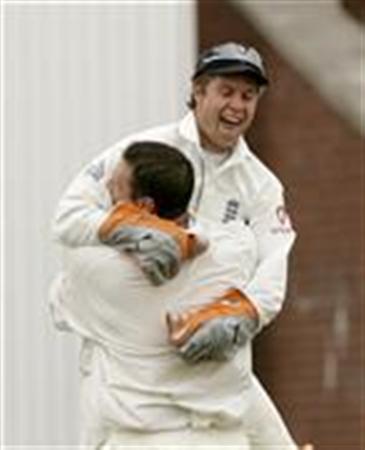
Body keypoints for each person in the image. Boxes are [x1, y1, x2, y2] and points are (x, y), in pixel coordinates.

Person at [50, 41, 298, 446]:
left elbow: (274, 264)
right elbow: (68, 216)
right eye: (226, 91)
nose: (237, 105)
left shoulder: (261, 185)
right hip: (130, 359)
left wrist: (241, 313)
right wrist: (127, 226)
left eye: (248, 96)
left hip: (209, 351)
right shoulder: (142, 153)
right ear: (199, 91)